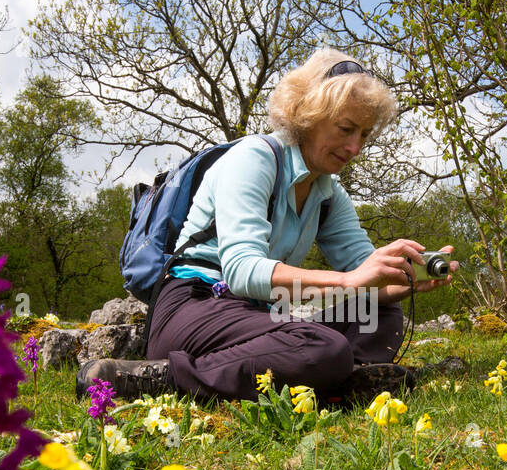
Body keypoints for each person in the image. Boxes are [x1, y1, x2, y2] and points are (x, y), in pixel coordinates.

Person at [77, 48, 459, 402]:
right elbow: (243, 272)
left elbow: (364, 272)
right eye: (346, 129)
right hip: (195, 304)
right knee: (323, 347)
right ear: (308, 115)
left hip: (257, 315)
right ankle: (157, 377)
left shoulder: (328, 191)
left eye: (364, 134)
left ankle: (341, 378)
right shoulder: (254, 158)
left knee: (379, 312)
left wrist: (404, 278)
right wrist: (351, 281)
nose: (355, 147)